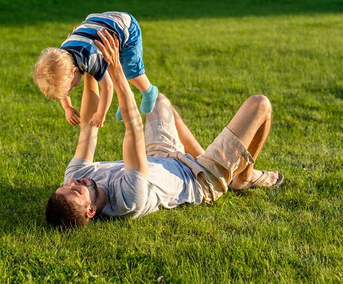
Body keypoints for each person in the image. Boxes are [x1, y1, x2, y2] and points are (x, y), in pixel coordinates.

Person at [45, 29, 283, 229]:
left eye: (66, 186)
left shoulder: (76, 178)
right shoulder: (129, 200)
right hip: (201, 180)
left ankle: (205, 156)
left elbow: (88, 129)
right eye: (75, 191)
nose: (74, 182)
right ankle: (243, 177)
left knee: (158, 100)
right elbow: (133, 127)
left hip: (160, 156)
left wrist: (87, 64)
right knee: (260, 105)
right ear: (91, 211)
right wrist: (115, 70)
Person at [33, 11, 158, 128]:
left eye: (70, 88)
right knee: (106, 68)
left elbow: (107, 87)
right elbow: (62, 87)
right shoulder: (62, 56)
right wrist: (67, 107)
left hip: (125, 26)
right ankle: (125, 96)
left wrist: (100, 114)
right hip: (97, 23)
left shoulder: (91, 57)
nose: (70, 90)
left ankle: (148, 91)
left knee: (130, 71)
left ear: (74, 71)